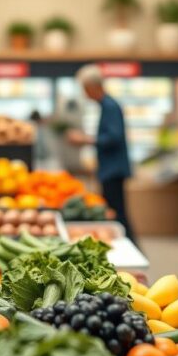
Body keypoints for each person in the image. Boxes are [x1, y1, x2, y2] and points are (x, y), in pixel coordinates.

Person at [67, 65, 135, 242]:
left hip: (113, 169)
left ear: (92, 87)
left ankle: (130, 246)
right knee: (116, 211)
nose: (84, 93)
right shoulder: (106, 105)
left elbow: (114, 137)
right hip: (110, 168)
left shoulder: (110, 106)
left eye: (85, 89)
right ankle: (128, 245)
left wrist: (85, 139)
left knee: (117, 213)